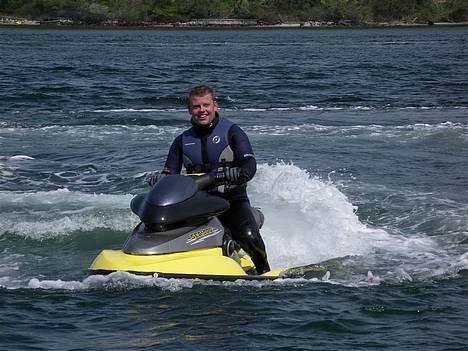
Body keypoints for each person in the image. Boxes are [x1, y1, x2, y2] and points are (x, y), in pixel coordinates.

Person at [159, 84, 270, 274]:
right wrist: (160, 180)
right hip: (197, 203)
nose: (202, 110)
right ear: (189, 109)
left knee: (249, 236)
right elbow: (169, 172)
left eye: (206, 105)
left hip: (231, 201)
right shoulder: (182, 141)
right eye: (196, 106)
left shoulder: (232, 132)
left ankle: (264, 272)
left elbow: (249, 165)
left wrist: (238, 173)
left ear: (215, 105)